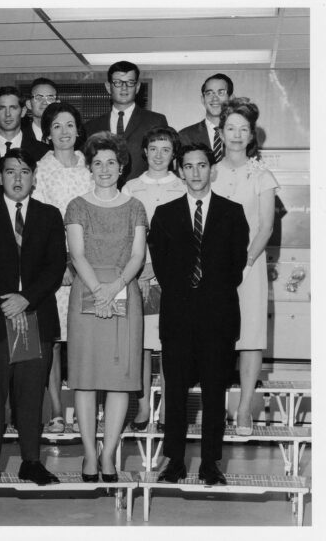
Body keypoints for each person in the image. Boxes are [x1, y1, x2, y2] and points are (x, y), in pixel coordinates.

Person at [150, 143, 249, 485]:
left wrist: (209, 296)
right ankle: (174, 461)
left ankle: (210, 463)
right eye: (189, 166)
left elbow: (236, 266)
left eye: (202, 165)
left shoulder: (232, 212)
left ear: (211, 169)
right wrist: (186, 296)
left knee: (213, 392)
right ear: (180, 170)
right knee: (175, 392)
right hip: (177, 316)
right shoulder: (164, 213)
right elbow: (162, 266)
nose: (195, 172)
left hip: (218, 317)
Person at [0, 148, 66, 486]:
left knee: (31, 394)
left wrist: (26, 299)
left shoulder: (49, 216)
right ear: (0, 178)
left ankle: (31, 461)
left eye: (24, 172)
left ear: (34, 178)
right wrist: (7, 302)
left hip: (36, 317)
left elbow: (55, 267)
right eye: (11, 172)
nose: (18, 178)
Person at [65, 131, 147, 483]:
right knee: (84, 380)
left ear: (122, 165)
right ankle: (87, 452)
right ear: (89, 167)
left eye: (111, 162)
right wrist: (99, 290)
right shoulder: (77, 205)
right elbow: (77, 253)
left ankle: (109, 452)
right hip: (87, 289)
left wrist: (114, 288)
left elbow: (138, 255)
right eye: (97, 162)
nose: (104, 168)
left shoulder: (135, 207)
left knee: (119, 379)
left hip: (124, 289)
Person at [211, 98, 278, 436]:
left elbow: (265, 226)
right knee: (216, 337)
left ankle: (243, 410)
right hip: (212, 270)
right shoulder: (208, 171)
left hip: (249, 267)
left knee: (250, 337)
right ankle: (213, 408)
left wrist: (246, 262)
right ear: (220, 132)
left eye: (243, 129)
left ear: (252, 135)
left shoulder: (261, 175)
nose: (237, 135)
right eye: (230, 128)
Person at [31, 102, 94, 433]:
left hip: (91, 267)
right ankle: (56, 410)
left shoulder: (91, 167)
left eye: (70, 125)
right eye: (57, 126)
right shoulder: (40, 172)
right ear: (47, 133)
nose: (65, 132)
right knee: (53, 340)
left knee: (85, 338)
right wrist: (63, 264)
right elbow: (42, 225)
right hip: (57, 268)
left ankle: (85, 412)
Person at [122, 126, 186, 431]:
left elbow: (188, 240)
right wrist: (141, 271)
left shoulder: (184, 187)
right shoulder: (131, 188)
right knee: (142, 346)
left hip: (174, 278)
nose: (159, 155)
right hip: (139, 279)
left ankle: (168, 409)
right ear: (144, 152)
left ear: (174, 155)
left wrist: (160, 269)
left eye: (166, 149)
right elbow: (124, 237)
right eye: (154, 148)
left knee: (172, 345)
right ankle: (144, 405)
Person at [84, 61, 168, 184]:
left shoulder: (155, 121)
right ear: (108, 87)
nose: (124, 88)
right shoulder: (91, 126)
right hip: (103, 193)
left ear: (137, 87)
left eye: (130, 82)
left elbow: (164, 162)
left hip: (143, 192)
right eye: (118, 83)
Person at [178, 74, 235, 164]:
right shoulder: (185, 136)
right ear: (203, 99)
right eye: (209, 93)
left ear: (231, 98)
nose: (215, 98)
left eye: (221, 93)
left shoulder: (241, 134)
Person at [22, 77, 59, 143]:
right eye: (38, 98)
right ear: (29, 104)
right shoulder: (19, 137)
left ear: (58, 103)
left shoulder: (68, 136)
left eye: (50, 98)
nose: (44, 102)